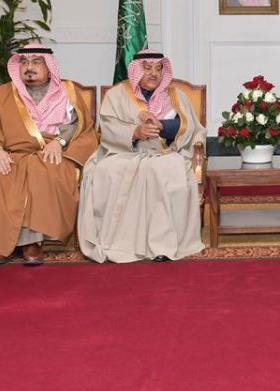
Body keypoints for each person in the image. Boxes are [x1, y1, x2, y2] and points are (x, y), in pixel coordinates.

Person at [0, 46, 97, 266]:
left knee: (42, 170)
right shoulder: (4, 94)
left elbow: (78, 124)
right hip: (9, 149)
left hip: (50, 149)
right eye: (25, 62)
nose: (29, 67)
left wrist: (59, 143)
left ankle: (32, 242)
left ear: (49, 67)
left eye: (37, 61)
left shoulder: (67, 92)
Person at [78, 50, 206, 263]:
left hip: (166, 152)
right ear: (136, 71)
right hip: (126, 152)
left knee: (162, 170)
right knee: (107, 171)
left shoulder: (175, 95)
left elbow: (190, 127)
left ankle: (163, 245)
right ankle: (121, 243)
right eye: (147, 69)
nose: (154, 74)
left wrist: (163, 126)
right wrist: (135, 132)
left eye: (158, 69)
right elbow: (107, 129)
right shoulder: (117, 95)